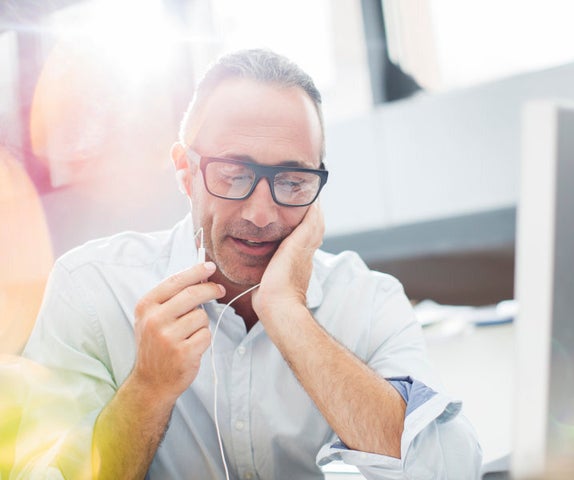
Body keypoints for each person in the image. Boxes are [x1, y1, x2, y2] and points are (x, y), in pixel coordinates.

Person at [22, 49, 483, 479]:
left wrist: (289, 316)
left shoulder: (369, 300)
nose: (260, 214)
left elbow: (450, 468)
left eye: (292, 180)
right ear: (186, 172)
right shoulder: (91, 289)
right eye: (234, 174)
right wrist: (147, 389)